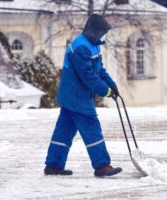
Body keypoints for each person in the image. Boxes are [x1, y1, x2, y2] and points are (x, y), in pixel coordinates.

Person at [44, 14, 122, 177]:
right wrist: (105, 91)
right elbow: (88, 76)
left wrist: (112, 85)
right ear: (94, 31)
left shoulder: (93, 45)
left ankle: (53, 165)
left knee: (64, 131)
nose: (103, 36)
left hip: (73, 96)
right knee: (92, 129)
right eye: (102, 32)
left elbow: (99, 70)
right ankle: (102, 165)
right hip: (77, 97)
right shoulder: (80, 47)